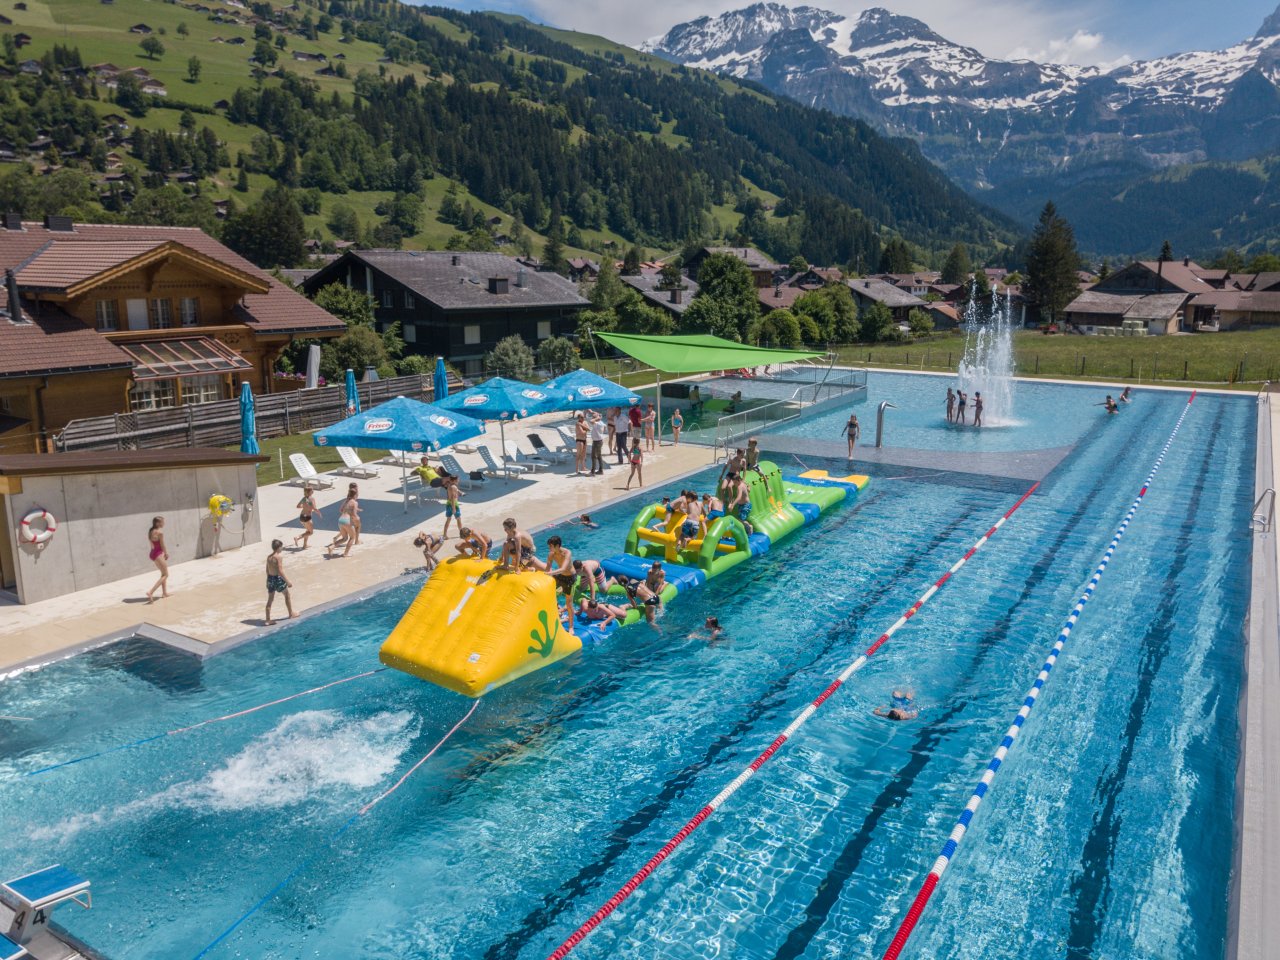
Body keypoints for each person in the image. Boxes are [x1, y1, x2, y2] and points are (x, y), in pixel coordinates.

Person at [264, 539, 295, 625]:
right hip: (277, 579)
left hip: (270, 579)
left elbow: (267, 570)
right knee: (287, 595)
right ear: (278, 548)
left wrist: (268, 581)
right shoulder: (278, 557)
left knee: (270, 599)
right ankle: (291, 614)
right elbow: (280, 572)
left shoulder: (269, 557)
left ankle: (267, 620)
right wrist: (288, 582)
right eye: (281, 547)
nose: (282, 548)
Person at [327, 487, 360, 558]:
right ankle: (346, 554)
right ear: (355, 495)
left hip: (340, 520)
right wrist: (357, 520)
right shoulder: (355, 502)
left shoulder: (346, 501)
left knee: (344, 538)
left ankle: (332, 546)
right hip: (347, 521)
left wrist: (347, 512)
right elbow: (354, 514)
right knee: (352, 537)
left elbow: (341, 510)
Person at [146, 516, 169, 603]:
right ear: (157, 523)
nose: (164, 523)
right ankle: (150, 592)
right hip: (158, 554)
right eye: (162, 522)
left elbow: (152, 544)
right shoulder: (160, 533)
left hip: (152, 553)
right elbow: (162, 545)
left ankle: (164, 593)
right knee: (166, 575)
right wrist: (166, 553)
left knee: (163, 574)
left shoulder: (151, 531)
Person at [441, 472, 464, 540]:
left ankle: (445, 535)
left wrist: (460, 492)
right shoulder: (454, 487)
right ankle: (462, 534)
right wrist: (454, 508)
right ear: (454, 480)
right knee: (458, 519)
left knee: (448, 519)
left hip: (448, 504)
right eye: (457, 480)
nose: (458, 481)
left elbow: (455, 491)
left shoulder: (450, 485)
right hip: (454, 505)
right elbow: (453, 498)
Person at [588, 411, 606, 476]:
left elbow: (591, 421)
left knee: (593, 456)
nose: (592, 418)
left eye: (594, 417)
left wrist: (597, 418)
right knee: (599, 456)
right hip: (598, 441)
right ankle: (600, 470)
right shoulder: (601, 423)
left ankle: (593, 471)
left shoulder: (598, 423)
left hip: (597, 441)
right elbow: (605, 427)